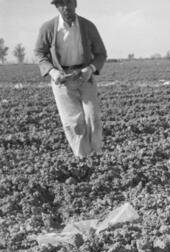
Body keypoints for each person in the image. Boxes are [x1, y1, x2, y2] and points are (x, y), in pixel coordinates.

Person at [34, 0, 107, 159]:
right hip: (62, 80)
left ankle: (97, 155)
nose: (66, 7)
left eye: (69, 2)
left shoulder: (88, 26)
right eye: (61, 3)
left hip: (85, 76)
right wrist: (53, 72)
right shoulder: (48, 28)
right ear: (56, 6)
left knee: (92, 118)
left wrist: (90, 69)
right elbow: (39, 54)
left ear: (75, 4)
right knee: (74, 123)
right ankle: (84, 158)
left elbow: (101, 53)